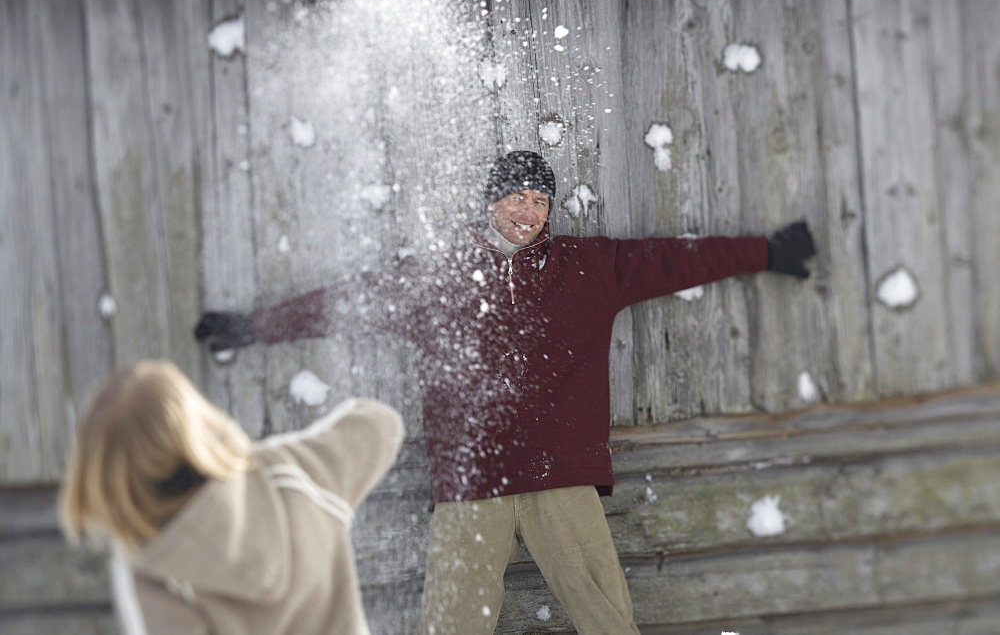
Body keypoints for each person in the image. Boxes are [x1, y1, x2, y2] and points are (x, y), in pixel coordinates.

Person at [194, 151, 817, 633]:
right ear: (492, 202)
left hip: (558, 476)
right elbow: (350, 303)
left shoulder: (589, 267)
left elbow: (676, 260)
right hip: (473, 483)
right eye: (519, 197)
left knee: (606, 616)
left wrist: (764, 252)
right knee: (452, 622)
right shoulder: (439, 278)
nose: (531, 211)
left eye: (541, 200)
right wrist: (253, 327)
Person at [59, 359, 403, 634]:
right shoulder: (291, 471)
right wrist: (261, 458)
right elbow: (382, 424)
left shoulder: (154, 575)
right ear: (199, 422)